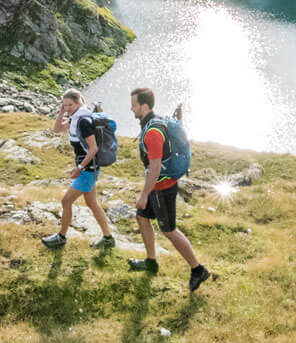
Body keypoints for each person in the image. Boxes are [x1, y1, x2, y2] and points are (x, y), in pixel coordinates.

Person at [128, 86, 211, 292]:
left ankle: (198, 269)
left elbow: (155, 167)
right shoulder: (154, 121)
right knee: (142, 217)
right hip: (157, 185)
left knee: (169, 230)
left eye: (134, 105)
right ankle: (151, 261)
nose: (131, 108)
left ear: (144, 106)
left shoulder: (153, 132)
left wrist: (144, 195)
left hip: (161, 188)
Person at [42, 89, 116, 249]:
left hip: (87, 169)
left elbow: (93, 149)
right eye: (65, 105)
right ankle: (108, 238)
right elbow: (57, 129)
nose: (67, 108)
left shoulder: (83, 121)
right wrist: (61, 112)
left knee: (66, 201)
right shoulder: (75, 118)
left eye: (70, 105)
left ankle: (61, 237)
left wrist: (79, 168)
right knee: (92, 203)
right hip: (88, 168)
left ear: (78, 103)